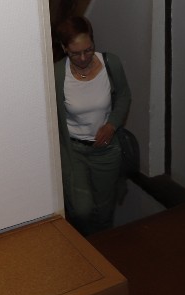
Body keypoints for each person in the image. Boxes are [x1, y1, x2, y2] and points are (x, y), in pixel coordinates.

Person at [53, 16, 131, 235]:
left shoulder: (111, 63)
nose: (83, 57)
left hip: (106, 150)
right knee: (81, 210)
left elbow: (124, 95)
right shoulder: (57, 74)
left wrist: (112, 125)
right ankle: (83, 244)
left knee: (104, 212)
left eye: (88, 50)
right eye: (75, 53)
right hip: (74, 151)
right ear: (64, 49)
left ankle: (101, 249)